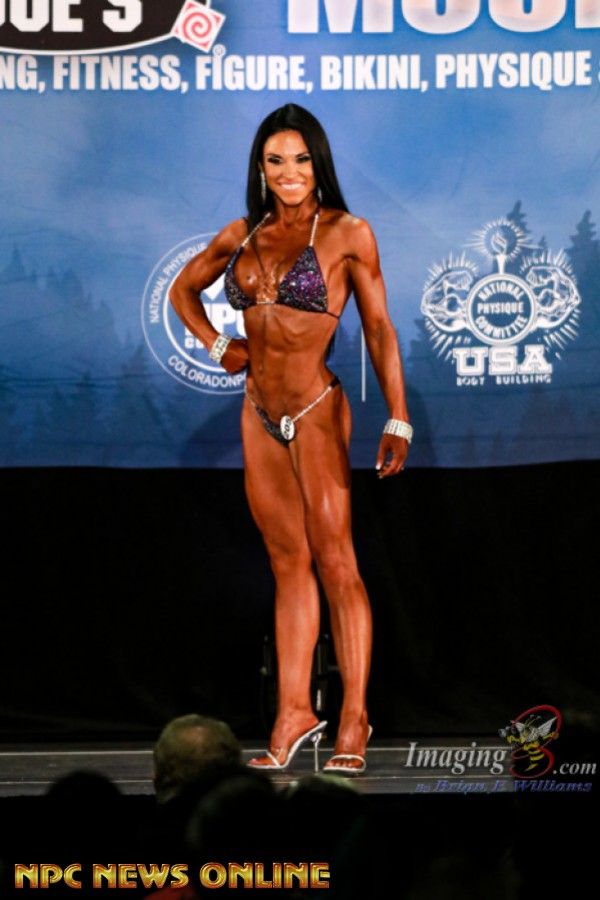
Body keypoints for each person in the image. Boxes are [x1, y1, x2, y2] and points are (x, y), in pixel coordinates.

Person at [169, 103, 411, 775]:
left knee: (336, 562)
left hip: (315, 411)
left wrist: (398, 414)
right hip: (258, 414)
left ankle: (354, 717)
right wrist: (216, 342)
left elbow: (379, 327)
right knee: (286, 564)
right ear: (260, 168)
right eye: (276, 160)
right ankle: (294, 712)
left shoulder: (347, 233)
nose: (289, 172)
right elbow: (184, 291)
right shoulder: (242, 235)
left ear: (318, 163)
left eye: (301, 159)